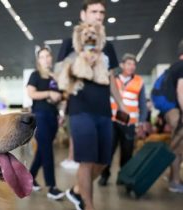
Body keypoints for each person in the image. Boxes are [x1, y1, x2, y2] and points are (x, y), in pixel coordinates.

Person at [57, 1, 126, 209]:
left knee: (103, 161)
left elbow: (112, 77)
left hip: (104, 110)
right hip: (80, 110)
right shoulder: (69, 43)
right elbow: (60, 75)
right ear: (83, 14)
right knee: (86, 160)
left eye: (102, 12)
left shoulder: (108, 45)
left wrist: (121, 104)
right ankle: (88, 205)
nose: (99, 15)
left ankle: (77, 191)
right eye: (94, 11)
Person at [98, 53, 147, 186]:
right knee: (109, 150)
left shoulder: (139, 81)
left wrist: (141, 122)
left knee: (127, 152)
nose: (132, 67)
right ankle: (104, 175)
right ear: (122, 65)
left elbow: (142, 104)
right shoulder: (113, 79)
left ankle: (122, 176)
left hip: (129, 123)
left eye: (134, 64)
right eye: (129, 64)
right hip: (112, 121)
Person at [27, 46, 65, 200]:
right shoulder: (35, 75)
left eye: (48, 56)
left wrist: (61, 111)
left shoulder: (56, 76)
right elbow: (31, 93)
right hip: (40, 115)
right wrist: (49, 93)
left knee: (42, 151)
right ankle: (52, 187)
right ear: (38, 60)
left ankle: (29, 178)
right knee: (47, 150)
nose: (46, 59)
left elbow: (62, 96)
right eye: (42, 56)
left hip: (53, 116)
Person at [159, 39, 183, 193]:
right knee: (178, 148)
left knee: (177, 146)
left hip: (170, 110)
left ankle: (172, 176)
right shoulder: (182, 66)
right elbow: (181, 91)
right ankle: (174, 181)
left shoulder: (174, 66)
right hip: (176, 111)